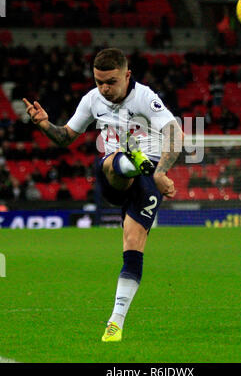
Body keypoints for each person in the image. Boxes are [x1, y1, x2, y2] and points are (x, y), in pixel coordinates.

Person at [23, 47, 183, 342]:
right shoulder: (92, 100)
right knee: (111, 162)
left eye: (111, 81)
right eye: (99, 82)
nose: (104, 89)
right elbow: (65, 137)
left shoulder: (146, 98)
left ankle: (115, 322)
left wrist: (159, 173)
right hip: (113, 175)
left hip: (148, 177)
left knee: (133, 247)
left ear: (127, 75)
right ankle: (131, 160)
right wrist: (44, 124)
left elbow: (176, 134)